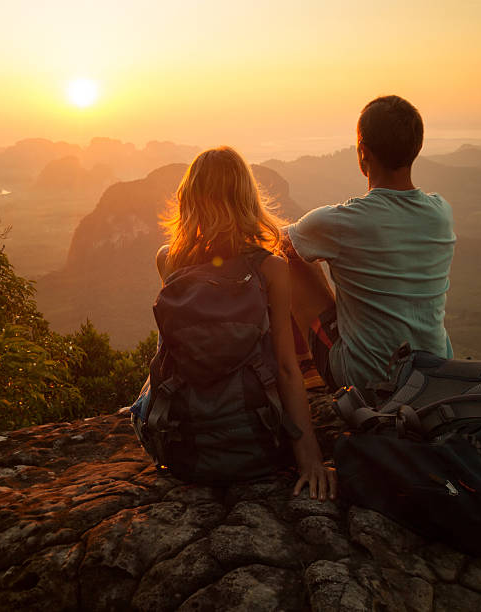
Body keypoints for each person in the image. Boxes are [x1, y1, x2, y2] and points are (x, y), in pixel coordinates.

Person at [156, 146, 337, 501]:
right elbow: (286, 368)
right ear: (246, 197)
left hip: (185, 446)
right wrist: (310, 460)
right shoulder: (271, 267)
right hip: (257, 440)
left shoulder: (168, 260)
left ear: (189, 198)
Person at [283, 95, 456, 395]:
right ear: (415, 148)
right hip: (435, 373)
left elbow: (274, 240)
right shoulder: (441, 213)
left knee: (290, 258)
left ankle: (306, 371)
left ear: (363, 151)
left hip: (366, 379)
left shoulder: (340, 222)